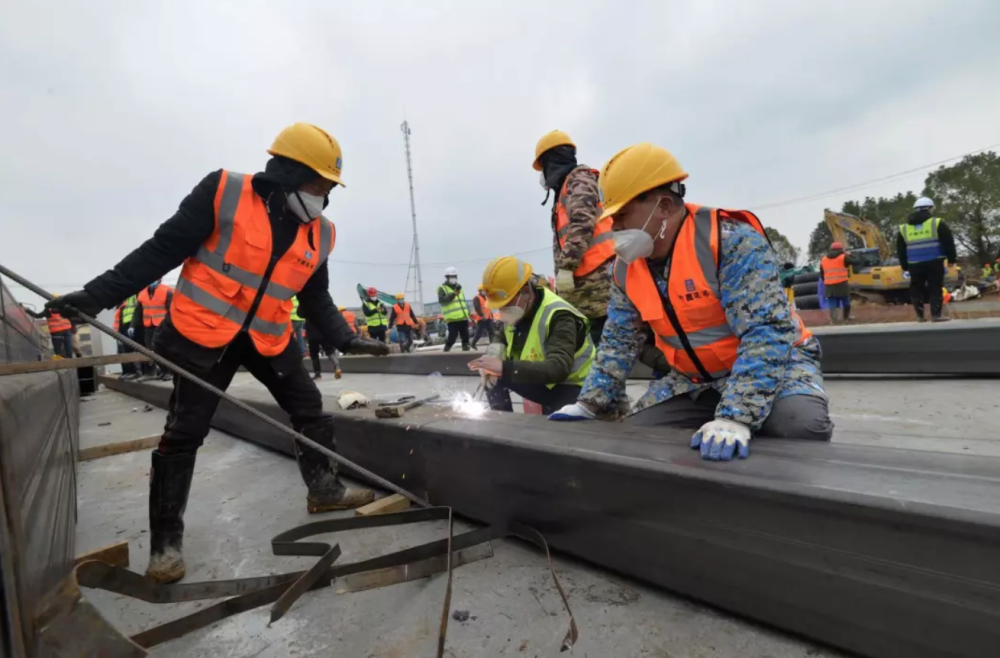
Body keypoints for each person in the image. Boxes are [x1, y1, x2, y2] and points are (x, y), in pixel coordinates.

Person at [43, 122, 388, 584]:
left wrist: (348, 339)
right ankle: (166, 542)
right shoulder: (224, 192)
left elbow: (315, 297)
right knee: (184, 433)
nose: (321, 196)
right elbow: (160, 251)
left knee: (309, 408)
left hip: (268, 337)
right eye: (315, 184)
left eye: (328, 188)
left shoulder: (320, 234)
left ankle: (324, 488)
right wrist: (96, 295)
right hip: (203, 336)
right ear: (285, 173)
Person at [548, 143, 833, 461]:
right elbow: (618, 342)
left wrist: (735, 416)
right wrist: (589, 403)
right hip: (694, 381)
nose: (614, 230)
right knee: (640, 435)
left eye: (623, 217)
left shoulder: (729, 243)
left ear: (665, 206)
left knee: (800, 426)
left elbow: (766, 334)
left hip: (780, 366)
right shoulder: (625, 269)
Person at [470, 257, 594, 414]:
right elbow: (502, 333)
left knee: (558, 428)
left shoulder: (560, 316)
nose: (502, 310)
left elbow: (558, 368)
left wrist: (504, 367)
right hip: (543, 382)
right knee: (494, 376)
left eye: (505, 304)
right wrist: (496, 348)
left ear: (525, 291)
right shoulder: (519, 310)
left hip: (573, 387)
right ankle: (502, 423)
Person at [534, 130, 614, 347]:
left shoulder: (579, 180)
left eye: (543, 168)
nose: (542, 176)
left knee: (601, 345)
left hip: (598, 285)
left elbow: (582, 222)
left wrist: (566, 266)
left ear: (551, 162)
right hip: (585, 288)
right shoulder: (566, 189)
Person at [896, 196, 957, 322]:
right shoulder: (937, 223)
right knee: (935, 288)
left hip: (914, 264)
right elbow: (948, 242)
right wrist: (952, 259)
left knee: (916, 289)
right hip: (934, 261)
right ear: (929, 208)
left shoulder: (904, 228)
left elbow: (901, 250)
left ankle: (920, 316)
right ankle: (936, 315)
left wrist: (904, 265)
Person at [133, 280, 173, 379]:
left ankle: (169, 372)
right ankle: (155, 372)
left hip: (162, 326)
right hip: (148, 326)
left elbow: (172, 310)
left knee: (163, 349)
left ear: (159, 279)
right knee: (150, 350)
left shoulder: (166, 291)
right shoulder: (142, 294)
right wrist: (132, 325)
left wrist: (170, 325)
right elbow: (138, 311)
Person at [820, 242, 856, 323]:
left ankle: (833, 320)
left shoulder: (824, 259)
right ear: (841, 249)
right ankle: (846, 318)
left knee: (832, 303)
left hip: (829, 286)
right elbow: (855, 261)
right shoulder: (843, 257)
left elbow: (822, 274)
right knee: (846, 301)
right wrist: (849, 254)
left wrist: (827, 281)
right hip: (842, 284)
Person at [438, 267, 471, 351]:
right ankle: (447, 348)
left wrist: (468, 313)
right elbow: (442, 300)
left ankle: (466, 349)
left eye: (455, 276)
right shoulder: (442, 288)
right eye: (451, 276)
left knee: (466, 336)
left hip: (463, 317)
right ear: (447, 278)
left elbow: (463, 302)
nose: (454, 278)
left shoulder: (459, 288)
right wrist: (453, 294)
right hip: (452, 319)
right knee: (452, 337)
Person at [113, 295, 140, 378]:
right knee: (123, 352)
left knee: (129, 350)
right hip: (120, 332)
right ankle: (127, 371)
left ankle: (135, 371)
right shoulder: (120, 306)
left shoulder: (125, 305)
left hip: (125, 329)